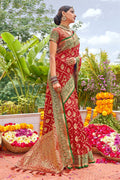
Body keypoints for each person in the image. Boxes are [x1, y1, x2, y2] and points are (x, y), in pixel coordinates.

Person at [15, 5, 94, 174]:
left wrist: (76, 59)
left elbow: (77, 56)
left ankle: (74, 157)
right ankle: (60, 157)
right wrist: (54, 79)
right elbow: (52, 56)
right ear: (63, 13)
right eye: (72, 11)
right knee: (60, 115)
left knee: (72, 115)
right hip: (58, 78)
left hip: (70, 79)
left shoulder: (74, 34)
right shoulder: (56, 32)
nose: (75, 14)